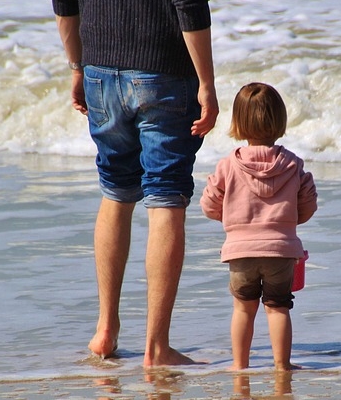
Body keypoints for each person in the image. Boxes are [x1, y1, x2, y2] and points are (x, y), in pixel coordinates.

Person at [52, 0, 219, 367]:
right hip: (164, 69)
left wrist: (77, 67)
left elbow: (64, 3)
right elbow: (189, 4)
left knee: (115, 191)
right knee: (166, 197)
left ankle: (105, 330)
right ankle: (157, 347)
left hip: (99, 66)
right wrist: (206, 82)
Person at [200, 82, 317, 371]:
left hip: (240, 251)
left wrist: (233, 221)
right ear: (280, 120)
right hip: (281, 250)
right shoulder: (293, 164)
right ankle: (282, 365)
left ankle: (239, 365)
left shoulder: (228, 165)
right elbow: (307, 206)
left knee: (243, 308)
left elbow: (209, 204)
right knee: (278, 307)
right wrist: (288, 223)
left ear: (237, 122)